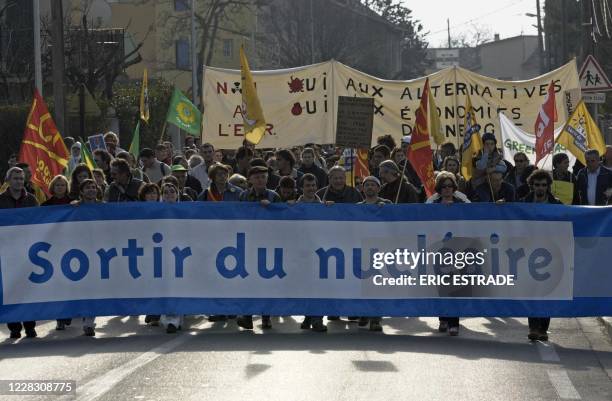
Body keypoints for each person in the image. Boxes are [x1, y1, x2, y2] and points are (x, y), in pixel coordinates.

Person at [236, 166, 281, 330]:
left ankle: (266, 316)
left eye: (263, 177)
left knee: (266, 282)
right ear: (250, 180)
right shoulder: (243, 196)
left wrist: (272, 208)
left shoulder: (274, 196)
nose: (260, 180)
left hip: (268, 244)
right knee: (248, 281)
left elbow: (283, 218)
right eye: (257, 177)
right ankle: (247, 316)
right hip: (249, 242)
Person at [521, 170, 562, 341]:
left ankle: (543, 328)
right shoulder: (522, 204)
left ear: (548, 186)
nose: (541, 188)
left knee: (547, 291)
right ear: (532, 186)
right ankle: (533, 326)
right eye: (537, 185)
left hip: (551, 254)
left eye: (544, 185)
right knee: (531, 290)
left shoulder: (557, 205)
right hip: (528, 253)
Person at [0, 167, 38, 339]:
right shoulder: (1, 200)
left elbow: (41, 221)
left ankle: (30, 325)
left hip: (28, 250)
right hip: (7, 251)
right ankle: (14, 326)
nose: (19, 181)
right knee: (11, 289)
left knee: (28, 288)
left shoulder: (31, 200)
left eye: (21, 178)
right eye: (15, 178)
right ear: (8, 180)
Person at [431, 172, 470, 336]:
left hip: (458, 250)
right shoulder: (432, 205)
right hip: (438, 250)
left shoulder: (462, 203)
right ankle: (443, 319)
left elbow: (475, 219)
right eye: (443, 186)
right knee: (442, 286)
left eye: (449, 186)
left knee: (455, 287)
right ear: (439, 189)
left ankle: (454, 322)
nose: (447, 189)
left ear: (454, 188)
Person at [357, 176, 391, 332]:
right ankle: (364, 313)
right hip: (362, 249)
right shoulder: (357, 207)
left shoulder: (386, 205)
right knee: (363, 285)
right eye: (367, 185)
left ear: (378, 188)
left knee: (377, 285)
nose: (370, 187)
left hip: (381, 249)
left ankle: (376, 318)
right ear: (363, 189)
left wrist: (388, 211)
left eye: (373, 185)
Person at [295, 173, 327, 332]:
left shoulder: (323, 207)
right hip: (301, 253)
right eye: (307, 186)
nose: (311, 188)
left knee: (319, 286)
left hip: (319, 253)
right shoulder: (294, 207)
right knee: (305, 286)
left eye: (313, 185)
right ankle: (309, 316)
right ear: (302, 188)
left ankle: (317, 319)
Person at [72, 179, 103, 336]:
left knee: (96, 289)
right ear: (82, 191)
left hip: (100, 254)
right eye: (87, 188)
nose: (91, 190)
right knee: (85, 288)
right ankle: (86, 320)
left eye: (93, 187)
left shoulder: (103, 208)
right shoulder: (75, 208)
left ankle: (89, 321)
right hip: (81, 253)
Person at [159, 182, 185, 333]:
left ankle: (176, 318)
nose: (169, 194)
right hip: (161, 253)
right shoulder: (154, 212)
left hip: (181, 254)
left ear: (177, 194)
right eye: (166, 192)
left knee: (178, 286)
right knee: (166, 286)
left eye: (172, 192)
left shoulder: (185, 211)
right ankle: (169, 319)